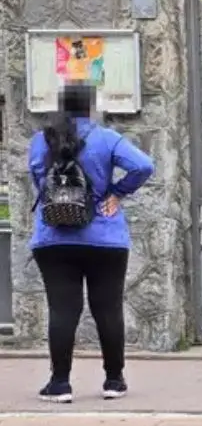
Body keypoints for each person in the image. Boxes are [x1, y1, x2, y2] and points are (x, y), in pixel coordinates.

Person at [28, 82, 154, 403]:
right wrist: (117, 193)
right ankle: (113, 381)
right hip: (105, 237)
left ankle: (59, 384)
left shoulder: (41, 141)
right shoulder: (106, 138)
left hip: (53, 237)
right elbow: (143, 165)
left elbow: (38, 180)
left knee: (63, 309)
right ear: (91, 107)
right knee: (108, 308)